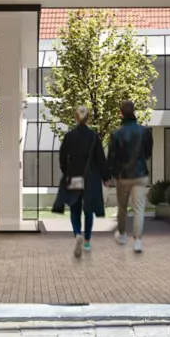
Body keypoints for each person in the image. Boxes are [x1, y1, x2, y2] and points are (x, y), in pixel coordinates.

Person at [52, 105, 107, 257]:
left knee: (74, 207)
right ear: (87, 118)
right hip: (90, 179)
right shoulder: (94, 137)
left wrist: (66, 171)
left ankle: (77, 234)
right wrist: (106, 177)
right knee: (88, 210)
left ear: (76, 118)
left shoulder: (69, 136)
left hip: (74, 176)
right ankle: (87, 242)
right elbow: (100, 159)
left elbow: (62, 157)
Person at [106, 99, 154, 253]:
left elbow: (112, 157)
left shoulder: (116, 134)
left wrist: (110, 175)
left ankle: (122, 235)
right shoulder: (145, 132)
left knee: (122, 208)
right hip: (140, 174)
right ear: (134, 112)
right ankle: (138, 241)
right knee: (139, 208)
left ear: (121, 114)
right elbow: (148, 152)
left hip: (123, 176)